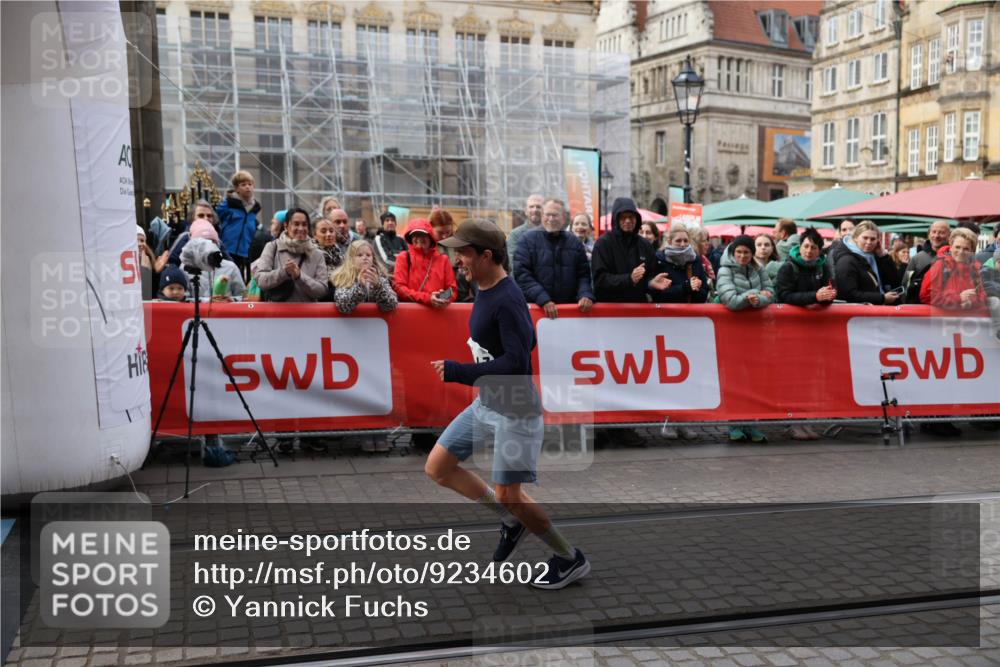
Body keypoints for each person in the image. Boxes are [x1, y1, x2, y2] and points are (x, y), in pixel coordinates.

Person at [428, 218, 589, 589]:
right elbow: (526, 341)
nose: (458, 260)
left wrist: (458, 371)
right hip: (487, 404)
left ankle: (569, 558)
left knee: (510, 494)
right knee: (438, 467)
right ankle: (512, 520)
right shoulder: (485, 287)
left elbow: (518, 362)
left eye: (464, 253)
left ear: (486, 255)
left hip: (516, 408)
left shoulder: (508, 297)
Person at [331, 240, 399, 452]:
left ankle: (381, 433)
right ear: (352, 259)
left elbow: (391, 304)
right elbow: (343, 305)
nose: (365, 258)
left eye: (368, 254)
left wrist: (377, 285)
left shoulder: (381, 278)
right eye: (360, 255)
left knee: (380, 388)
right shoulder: (344, 278)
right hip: (353, 345)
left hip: (377, 344)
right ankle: (364, 434)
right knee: (361, 389)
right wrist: (360, 287)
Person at [650, 225, 709, 441]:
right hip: (666, 324)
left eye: (685, 241)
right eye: (678, 241)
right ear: (669, 241)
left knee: (689, 375)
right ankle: (667, 419)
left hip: (691, 325)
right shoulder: (659, 261)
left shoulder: (695, 261)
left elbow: (703, 293)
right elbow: (660, 295)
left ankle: (685, 420)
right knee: (669, 374)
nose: (683, 245)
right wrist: (686, 286)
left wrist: (697, 288)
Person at [716, 235, 773, 444]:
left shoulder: (758, 269)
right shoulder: (725, 270)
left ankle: (752, 424)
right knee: (735, 379)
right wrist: (752, 295)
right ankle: (735, 425)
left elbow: (771, 292)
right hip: (732, 332)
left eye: (746, 253)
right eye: (739, 252)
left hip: (755, 332)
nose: (742, 256)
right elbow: (729, 300)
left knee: (753, 380)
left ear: (751, 254)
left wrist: (759, 300)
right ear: (733, 252)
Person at [513, 198, 595, 319]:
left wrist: (585, 294)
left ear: (564, 218)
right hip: (537, 312)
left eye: (555, 215)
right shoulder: (526, 240)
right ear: (542, 216)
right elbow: (522, 275)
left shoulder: (574, 242)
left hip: (569, 314)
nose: (551, 219)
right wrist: (543, 299)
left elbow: (583, 275)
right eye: (548, 214)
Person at [591, 197, 661, 303]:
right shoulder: (603, 243)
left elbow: (650, 275)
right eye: (623, 217)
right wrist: (629, 279)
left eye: (631, 217)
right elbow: (600, 280)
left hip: (637, 309)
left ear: (637, 219)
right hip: (609, 310)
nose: (627, 221)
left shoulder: (645, 245)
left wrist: (651, 283)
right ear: (616, 219)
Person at [253, 207, 329, 304]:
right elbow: (261, 280)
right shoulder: (272, 247)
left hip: (307, 316)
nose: (301, 228)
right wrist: (284, 272)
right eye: (296, 224)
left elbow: (322, 290)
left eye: (304, 224)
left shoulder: (317, 254)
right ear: (286, 226)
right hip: (277, 315)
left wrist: (299, 276)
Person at [393, 218, 458, 307]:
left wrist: (441, 298)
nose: (419, 238)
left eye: (423, 234)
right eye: (415, 235)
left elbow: (452, 290)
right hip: (411, 315)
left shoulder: (443, 260)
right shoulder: (403, 257)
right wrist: (427, 298)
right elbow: (399, 287)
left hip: (438, 315)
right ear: (411, 238)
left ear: (430, 237)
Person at [834, 220, 901, 305]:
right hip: (860, 313)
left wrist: (883, 256)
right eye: (865, 238)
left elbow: (894, 281)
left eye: (873, 239)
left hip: (877, 309)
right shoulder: (846, 260)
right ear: (855, 238)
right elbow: (848, 294)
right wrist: (882, 298)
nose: (869, 242)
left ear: (878, 241)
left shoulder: (874, 256)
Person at [920, 227, 987, 309]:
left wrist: (970, 303)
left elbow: (982, 296)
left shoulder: (975, 269)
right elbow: (926, 296)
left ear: (972, 251)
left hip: (966, 320)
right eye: (957, 247)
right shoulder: (940, 266)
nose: (961, 252)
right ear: (951, 247)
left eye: (966, 249)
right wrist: (958, 298)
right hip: (942, 320)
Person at [182, 220, 247, 302]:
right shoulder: (185, 268)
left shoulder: (230, 267)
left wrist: (231, 300)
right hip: (198, 313)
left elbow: (243, 297)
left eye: (213, 242)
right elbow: (182, 299)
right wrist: (207, 301)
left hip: (225, 313)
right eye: (204, 242)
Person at [215, 170, 261, 279]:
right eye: (243, 184)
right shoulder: (229, 203)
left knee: (239, 277)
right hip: (228, 248)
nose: (247, 187)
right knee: (225, 276)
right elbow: (216, 216)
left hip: (244, 250)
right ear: (236, 188)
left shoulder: (254, 208)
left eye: (250, 184)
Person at [903, 220, 951, 302]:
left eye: (941, 232)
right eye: (934, 232)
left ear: (949, 235)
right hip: (920, 309)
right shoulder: (917, 258)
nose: (936, 235)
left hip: (946, 308)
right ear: (929, 234)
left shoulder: (954, 257)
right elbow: (905, 284)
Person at [506, 194, 544, 271]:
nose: (535, 210)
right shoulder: (515, 234)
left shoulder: (551, 233)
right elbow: (513, 263)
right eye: (531, 207)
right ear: (526, 211)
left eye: (538, 207)